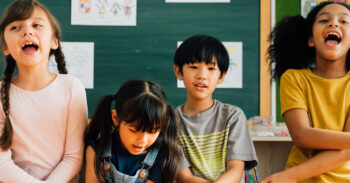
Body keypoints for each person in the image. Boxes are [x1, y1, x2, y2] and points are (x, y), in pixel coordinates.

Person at [261, 2, 350, 183]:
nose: (333, 24)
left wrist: (287, 176)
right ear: (310, 39)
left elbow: (346, 149)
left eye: (344, 21)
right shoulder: (293, 78)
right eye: (324, 20)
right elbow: (302, 135)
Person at [0, 0, 88, 182]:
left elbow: (73, 157)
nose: (27, 31)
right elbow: (1, 164)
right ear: (5, 47)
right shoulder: (1, 93)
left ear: (54, 41)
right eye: (16, 27)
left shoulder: (72, 88)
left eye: (37, 25)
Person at [173, 34, 258, 183]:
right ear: (179, 72)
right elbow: (183, 177)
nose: (202, 76)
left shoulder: (233, 116)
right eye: (194, 67)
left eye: (211, 68)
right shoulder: (170, 121)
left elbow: (235, 170)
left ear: (221, 76)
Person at [84, 80, 182, 183]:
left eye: (153, 132)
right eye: (134, 130)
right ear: (116, 118)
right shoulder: (96, 150)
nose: (143, 141)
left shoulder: (162, 155)